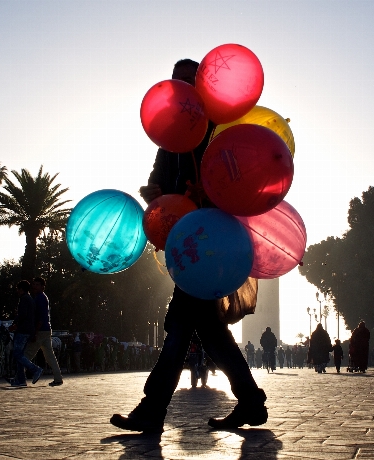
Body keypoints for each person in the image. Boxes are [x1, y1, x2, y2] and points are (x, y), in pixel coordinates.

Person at [110, 58, 268, 433]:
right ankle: (250, 401)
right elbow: (157, 179)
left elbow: (240, 180)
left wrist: (208, 193)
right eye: (174, 84)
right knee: (209, 330)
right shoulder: (170, 137)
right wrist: (156, 194)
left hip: (212, 242)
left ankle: (153, 409)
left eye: (186, 83)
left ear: (200, 88)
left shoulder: (220, 130)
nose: (179, 92)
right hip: (184, 240)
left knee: (180, 324)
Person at [20, 277, 64, 387]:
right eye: (33, 284)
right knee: (50, 356)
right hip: (46, 329)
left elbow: (40, 317)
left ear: (42, 287)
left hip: (40, 330)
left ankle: (20, 376)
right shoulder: (43, 298)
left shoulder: (39, 298)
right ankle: (58, 378)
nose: (34, 286)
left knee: (26, 354)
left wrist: (35, 332)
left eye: (37, 284)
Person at [9, 280, 43, 387]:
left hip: (23, 330)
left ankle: (35, 369)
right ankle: (21, 379)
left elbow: (23, 315)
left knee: (17, 353)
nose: (17, 291)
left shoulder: (24, 299)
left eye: (18, 289)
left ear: (21, 289)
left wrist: (15, 324)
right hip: (29, 330)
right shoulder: (31, 300)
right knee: (20, 355)